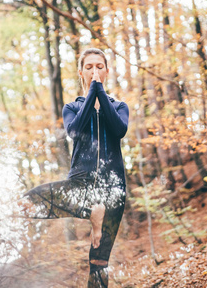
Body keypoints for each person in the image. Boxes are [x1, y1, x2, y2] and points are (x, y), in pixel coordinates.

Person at [20, 48, 129, 287]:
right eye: (89, 67)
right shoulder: (72, 108)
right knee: (26, 202)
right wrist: (93, 93)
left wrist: (99, 91)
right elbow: (75, 131)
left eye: (99, 66)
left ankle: (96, 216)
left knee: (99, 262)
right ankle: (90, 211)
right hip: (81, 183)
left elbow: (119, 130)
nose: (94, 71)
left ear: (107, 71)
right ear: (81, 72)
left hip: (113, 188)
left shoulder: (120, 106)